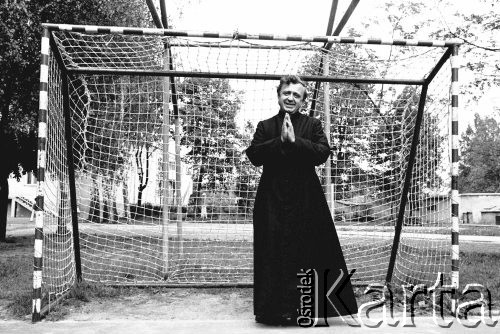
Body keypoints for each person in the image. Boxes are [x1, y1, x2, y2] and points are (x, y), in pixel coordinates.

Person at [246, 75, 358, 326]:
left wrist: (296, 142)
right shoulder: (265, 126)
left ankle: (313, 310)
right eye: (287, 93)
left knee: (311, 249)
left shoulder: (313, 125)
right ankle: (273, 312)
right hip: (271, 200)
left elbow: (322, 153)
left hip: (306, 198)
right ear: (278, 95)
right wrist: (279, 141)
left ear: (303, 100)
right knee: (272, 251)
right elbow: (254, 154)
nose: (290, 98)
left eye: (296, 95)